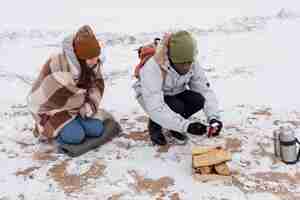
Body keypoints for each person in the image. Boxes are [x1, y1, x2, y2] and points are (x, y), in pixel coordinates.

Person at [133, 30, 223, 145]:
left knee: (198, 100)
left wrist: (213, 118)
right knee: (175, 106)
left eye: (189, 62)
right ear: (170, 58)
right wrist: (186, 126)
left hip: (175, 91)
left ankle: (173, 125)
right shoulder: (153, 67)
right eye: (181, 63)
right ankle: (154, 126)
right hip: (149, 97)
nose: (186, 67)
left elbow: (204, 90)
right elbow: (155, 106)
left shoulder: (192, 62)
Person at [27, 25, 107, 145]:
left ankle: (75, 120)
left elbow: (98, 84)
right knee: (75, 137)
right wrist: (81, 103)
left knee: (97, 129)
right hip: (52, 110)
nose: (95, 60)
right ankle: (44, 128)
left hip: (76, 108)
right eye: (91, 58)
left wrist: (89, 106)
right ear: (81, 57)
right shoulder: (59, 65)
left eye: (96, 56)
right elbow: (56, 98)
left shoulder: (92, 63)